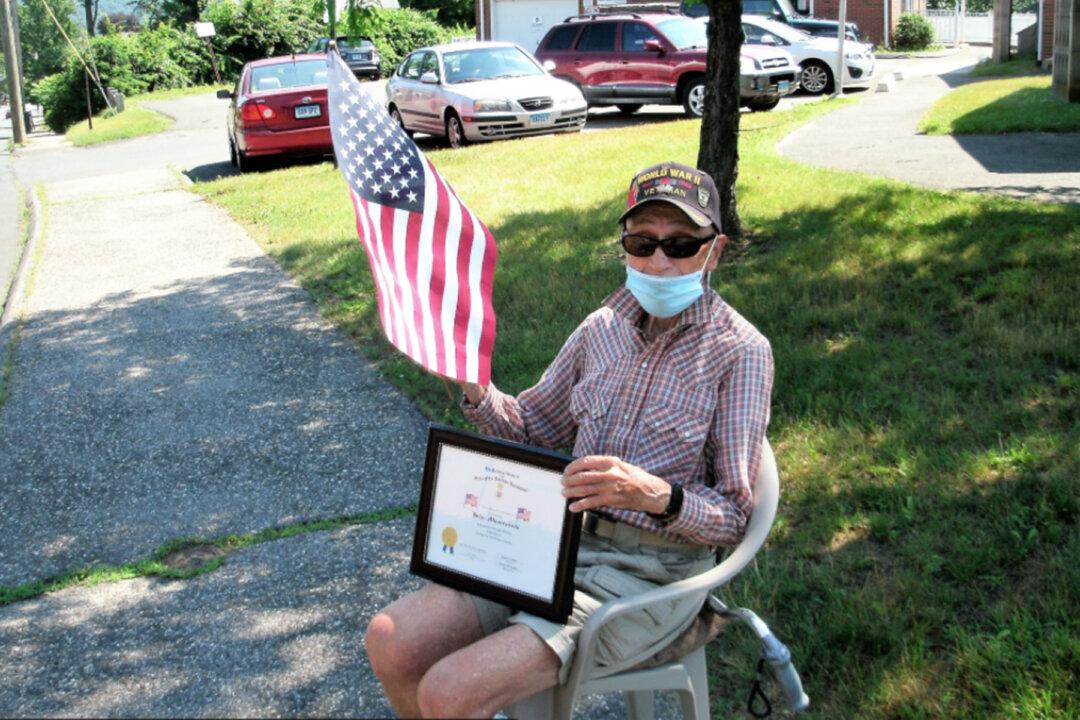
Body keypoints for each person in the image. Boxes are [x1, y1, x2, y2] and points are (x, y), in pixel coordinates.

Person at [365, 161, 774, 718]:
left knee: (449, 691)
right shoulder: (601, 328)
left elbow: (734, 517)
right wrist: (472, 384)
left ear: (715, 251)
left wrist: (656, 495)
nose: (658, 261)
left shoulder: (740, 351)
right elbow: (530, 429)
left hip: (647, 575)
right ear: (624, 245)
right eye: (642, 242)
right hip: (549, 544)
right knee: (391, 640)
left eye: (681, 245)